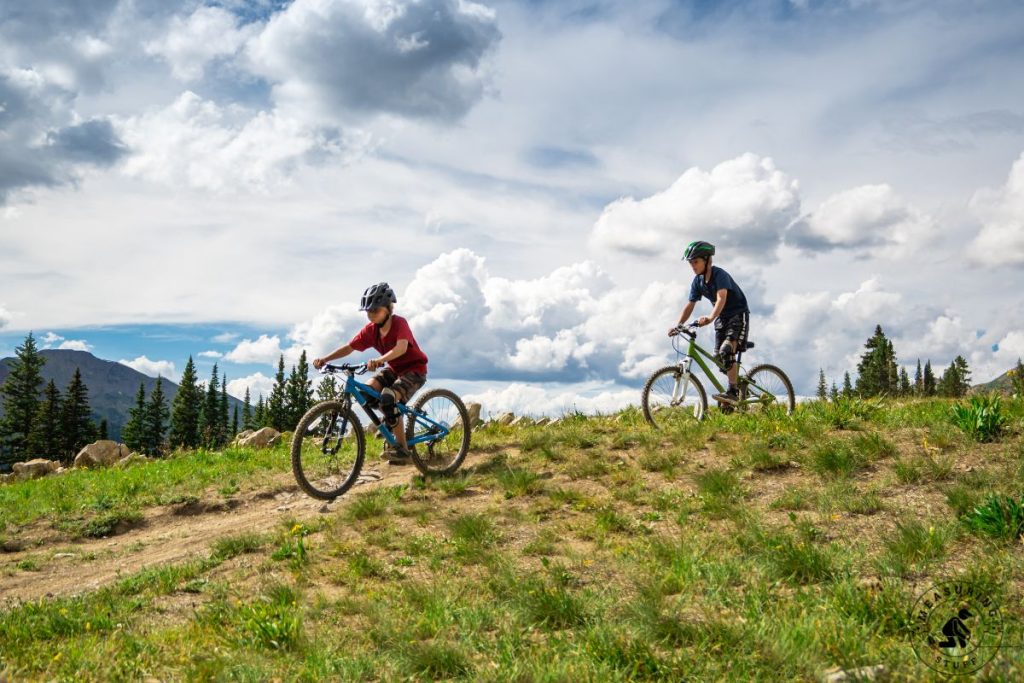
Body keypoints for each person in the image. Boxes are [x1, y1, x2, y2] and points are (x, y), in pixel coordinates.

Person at [313, 283, 428, 464]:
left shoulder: (399, 323)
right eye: (368, 311)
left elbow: (401, 347)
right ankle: (391, 424)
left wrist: (380, 360)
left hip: (414, 370)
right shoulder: (370, 330)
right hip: (394, 369)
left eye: (376, 310)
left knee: (389, 398)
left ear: (388, 309)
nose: (371, 314)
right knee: (367, 391)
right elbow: (350, 347)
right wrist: (325, 359)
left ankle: (403, 449)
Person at [668, 240, 750, 405]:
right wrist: (678, 325)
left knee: (727, 351)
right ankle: (736, 391)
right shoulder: (697, 282)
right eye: (691, 263)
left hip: (737, 314)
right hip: (721, 319)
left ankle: (733, 391)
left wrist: (710, 318)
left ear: (707, 260)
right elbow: (690, 304)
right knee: (719, 359)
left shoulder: (720, 275)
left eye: (696, 262)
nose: (693, 266)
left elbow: (721, 298)